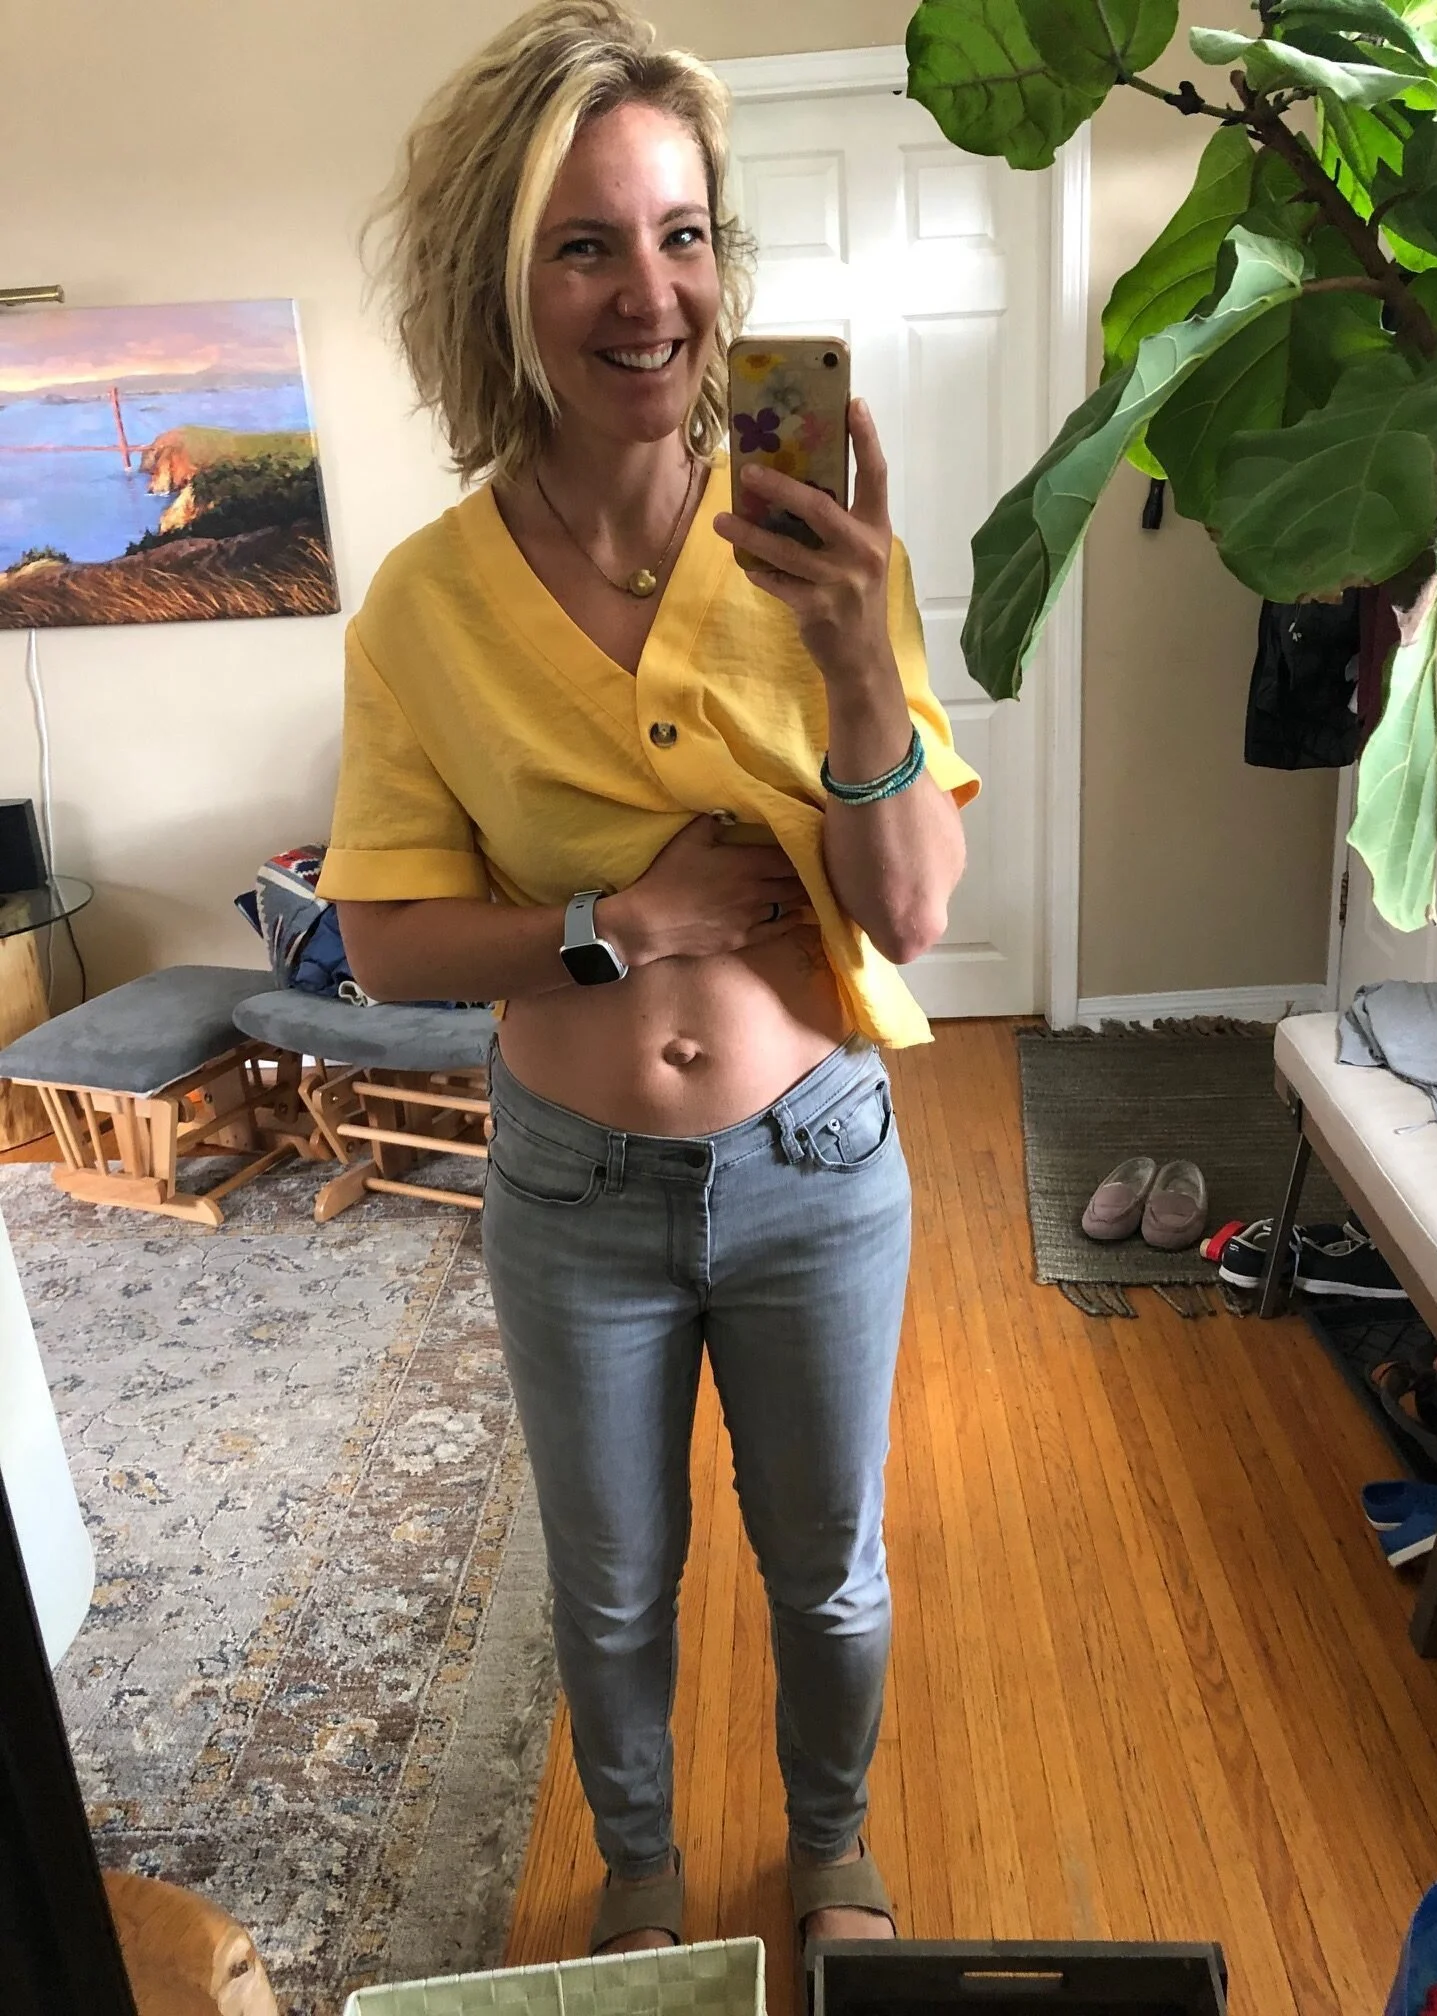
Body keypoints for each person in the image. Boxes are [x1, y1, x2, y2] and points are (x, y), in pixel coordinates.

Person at [318, 0, 979, 1962]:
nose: (650, 294)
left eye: (682, 235)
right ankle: (641, 1872)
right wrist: (622, 919)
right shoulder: (426, 605)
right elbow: (387, 940)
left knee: (830, 1571)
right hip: (575, 1189)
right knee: (609, 1588)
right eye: (585, 245)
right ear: (500, 283)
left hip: (816, 1163)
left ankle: (831, 1852)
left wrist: (856, 663)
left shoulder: (820, 550)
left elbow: (913, 912)